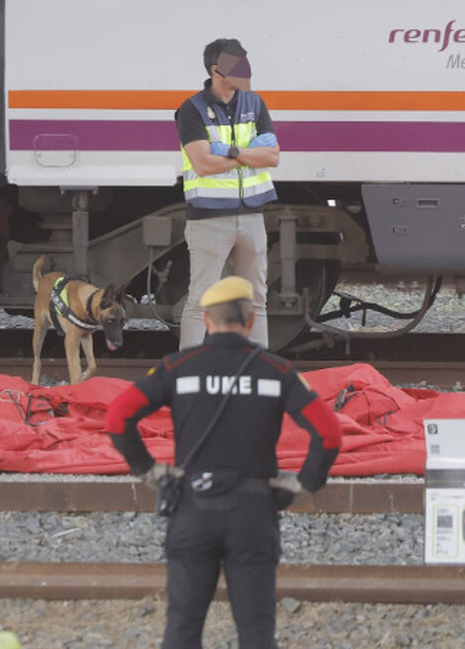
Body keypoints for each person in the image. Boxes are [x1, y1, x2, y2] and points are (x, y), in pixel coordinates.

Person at [105, 276, 342, 649]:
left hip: (192, 510)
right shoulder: (276, 370)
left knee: (182, 626)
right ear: (250, 321)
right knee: (256, 629)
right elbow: (328, 433)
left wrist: (149, 470)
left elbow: (118, 417)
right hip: (254, 514)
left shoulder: (177, 366)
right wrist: (303, 482)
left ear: (206, 320)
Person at [176, 38, 280, 350]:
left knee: (256, 299)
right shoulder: (191, 110)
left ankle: (259, 371)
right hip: (208, 218)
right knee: (201, 300)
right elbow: (203, 164)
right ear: (216, 69)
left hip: (252, 217)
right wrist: (249, 153)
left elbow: (273, 157)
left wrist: (230, 151)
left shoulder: (255, 103)